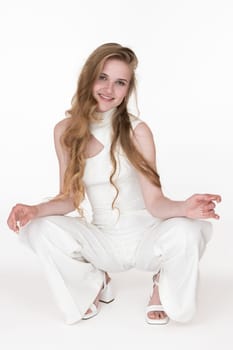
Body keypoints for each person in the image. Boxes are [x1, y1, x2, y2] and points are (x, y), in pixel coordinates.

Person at [7, 42, 221, 325]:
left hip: (147, 239)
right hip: (102, 242)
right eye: (103, 77)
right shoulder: (65, 131)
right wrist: (35, 209)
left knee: (189, 230)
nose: (109, 89)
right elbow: (70, 198)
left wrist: (185, 208)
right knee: (39, 227)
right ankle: (95, 282)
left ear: (127, 90)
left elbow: (155, 202)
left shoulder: (137, 131)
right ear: (89, 78)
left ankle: (163, 285)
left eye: (120, 82)